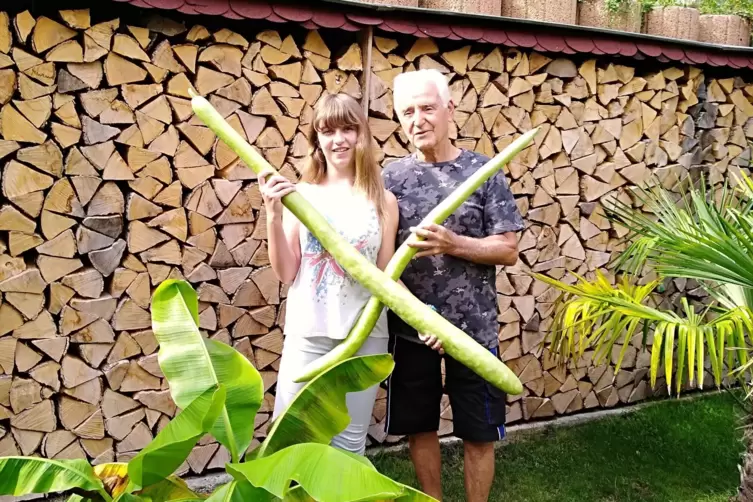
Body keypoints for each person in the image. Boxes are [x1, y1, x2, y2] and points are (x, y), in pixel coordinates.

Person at [382, 69, 525, 502]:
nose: (418, 119)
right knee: (419, 425)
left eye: (427, 108)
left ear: (450, 110)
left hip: (474, 330)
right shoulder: (390, 179)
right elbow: (383, 259)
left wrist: (455, 243)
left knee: (479, 431)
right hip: (412, 331)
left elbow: (508, 249)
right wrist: (416, 316)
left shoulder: (483, 172)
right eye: (407, 111)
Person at [260, 93, 400, 455]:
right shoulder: (300, 195)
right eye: (328, 130)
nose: (338, 139)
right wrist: (273, 216)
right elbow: (287, 272)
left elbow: (386, 276)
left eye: (347, 129)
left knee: (349, 445)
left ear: (361, 135)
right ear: (317, 140)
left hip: (365, 338)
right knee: (289, 441)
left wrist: (426, 322)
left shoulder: (383, 200)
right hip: (309, 334)